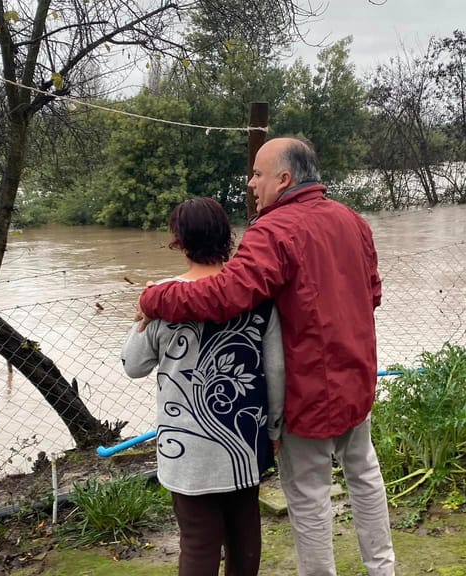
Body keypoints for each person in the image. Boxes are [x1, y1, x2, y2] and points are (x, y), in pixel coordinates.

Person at [137, 137, 395, 576]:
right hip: (357, 378)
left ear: (284, 178)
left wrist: (156, 297)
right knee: (365, 476)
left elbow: (226, 295)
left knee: (310, 496)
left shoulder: (274, 230)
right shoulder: (351, 220)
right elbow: (372, 294)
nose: (251, 182)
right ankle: (383, 569)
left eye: (258, 173)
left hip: (309, 389)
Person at [121, 197, 285, 576]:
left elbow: (133, 365)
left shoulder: (161, 298)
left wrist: (142, 315)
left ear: (178, 241)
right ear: (228, 237)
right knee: (245, 533)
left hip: (185, 445)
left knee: (197, 541)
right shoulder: (255, 294)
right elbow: (275, 370)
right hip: (244, 438)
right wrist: (273, 429)